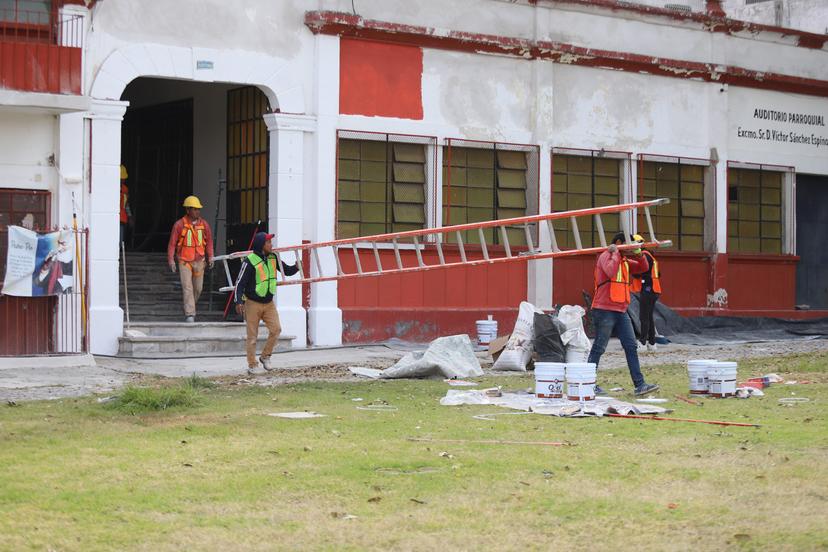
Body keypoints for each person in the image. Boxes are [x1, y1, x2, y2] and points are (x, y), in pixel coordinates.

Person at [587, 232, 659, 396]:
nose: (631, 247)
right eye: (629, 244)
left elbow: (643, 267)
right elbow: (611, 271)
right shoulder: (606, 256)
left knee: (631, 346)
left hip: (620, 310)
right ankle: (588, 383)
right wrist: (615, 253)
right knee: (599, 347)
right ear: (619, 243)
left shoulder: (625, 261)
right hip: (604, 309)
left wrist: (639, 254)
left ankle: (640, 385)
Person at [233, 232, 298, 375]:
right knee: (252, 337)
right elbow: (240, 283)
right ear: (262, 245)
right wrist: (238, 301)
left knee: (276, 330)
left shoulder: (273, 257)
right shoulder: (249, 261)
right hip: (252, 303)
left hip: (269, 303)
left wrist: (297, 266)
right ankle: (252, 364)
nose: (271, 245)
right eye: (269, 242)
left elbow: (286, 270)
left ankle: (265, 356)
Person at [167, 195, 214, 322]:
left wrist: (211, 257)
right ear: (188, 210)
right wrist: (171, 260)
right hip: (184, 261)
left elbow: (209, 242)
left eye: (198, 209)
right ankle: (190, 313)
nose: (197, 211)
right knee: (187, 287)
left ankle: (189, 307)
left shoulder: (204, 225)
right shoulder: (179, 225)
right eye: (194, 209)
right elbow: (172, 243)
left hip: (199, 261)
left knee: (198, 288)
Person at [630, 233, 662, 353]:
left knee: (644, 317)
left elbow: (641, 271)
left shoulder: (645, 256)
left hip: (648, 289)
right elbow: (658, 274)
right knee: (649, 317)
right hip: (654, 290)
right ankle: (652, 343)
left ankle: (643, 343)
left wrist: (633, 271)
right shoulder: (651, 256)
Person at [119, 165, 133, 244]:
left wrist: (130, 216)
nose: (123, 180)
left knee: (120, 241)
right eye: (121, 179)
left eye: (123, 179)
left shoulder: (125, 189)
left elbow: (126, 204)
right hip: (113, 218)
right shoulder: (111, 188)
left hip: (122, 219)